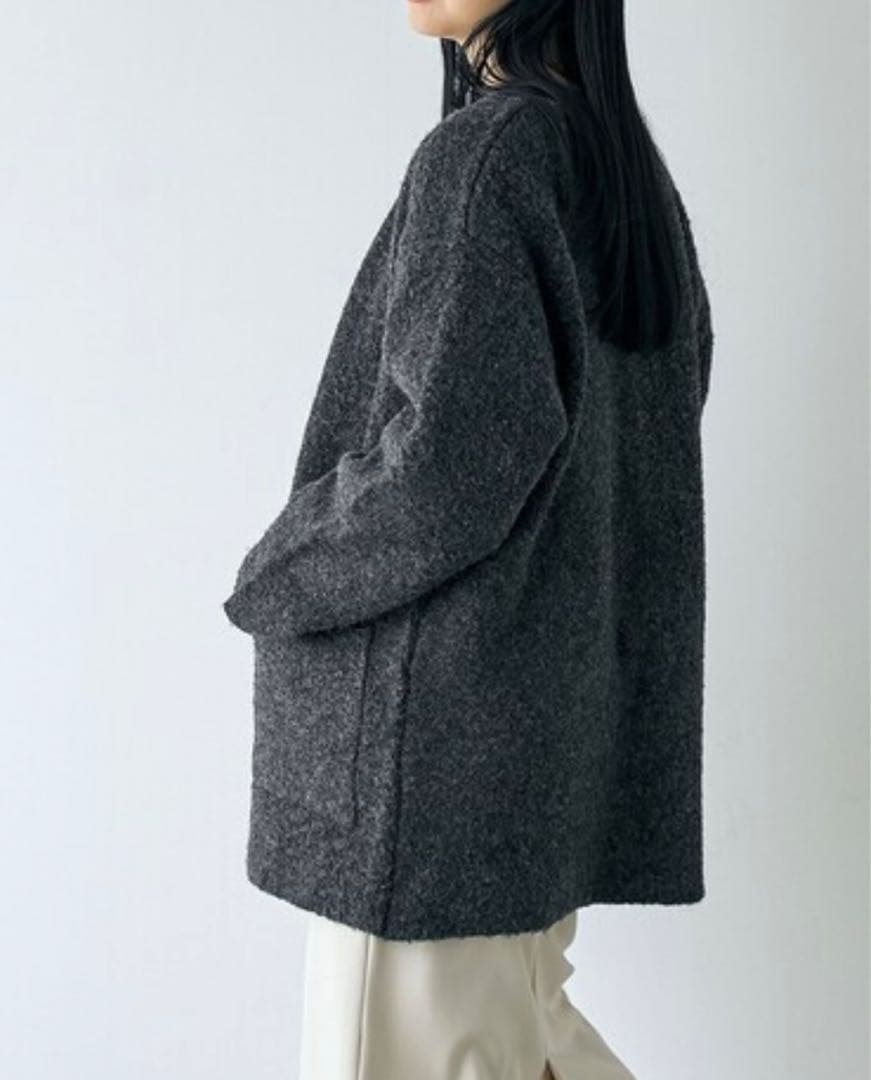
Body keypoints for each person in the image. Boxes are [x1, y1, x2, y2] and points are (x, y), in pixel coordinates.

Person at [222, 1, 714, 1077]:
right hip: (535, 756)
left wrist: (280, 571)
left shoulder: (486, 156)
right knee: (531, 1044)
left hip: (432, 768)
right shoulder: (618, 172)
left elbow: (448, 467)